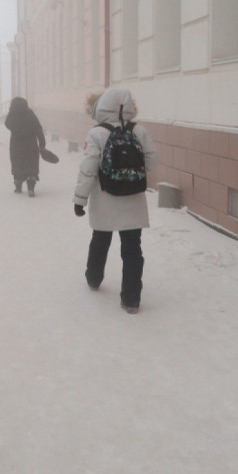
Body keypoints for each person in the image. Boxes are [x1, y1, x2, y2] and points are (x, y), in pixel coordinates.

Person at [72, 87, 157, 314]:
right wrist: (131, 175)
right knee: (132, 249)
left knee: (100, 240)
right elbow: (151, 162)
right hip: (133, 199)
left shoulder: (97, 133)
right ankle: (131, 300)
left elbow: (88, 169)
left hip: (105, 198)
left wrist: (80, 199)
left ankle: (94, 277)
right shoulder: (140, 131)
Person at [4, 96, 46, 197]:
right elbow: (38, 128)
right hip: (30, 145)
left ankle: (18, 186)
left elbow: (7, 124)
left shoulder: (12, 115)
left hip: (16, 145)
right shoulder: (30, 114)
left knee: (18, 165)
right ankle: (31, 187)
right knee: (31, 166)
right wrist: (42, 143)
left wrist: (11, 112)